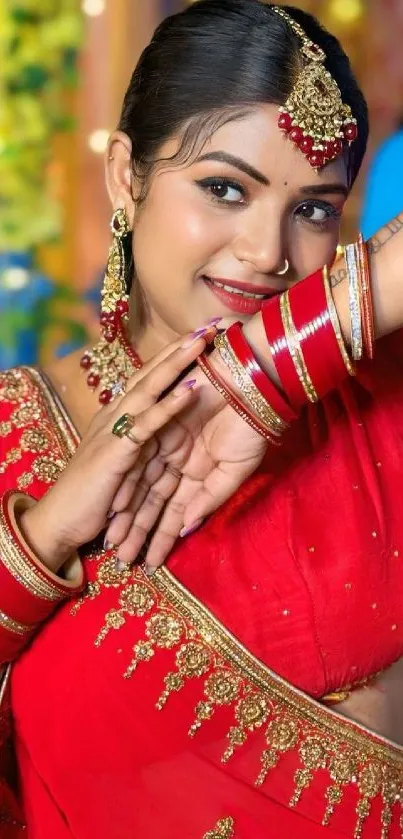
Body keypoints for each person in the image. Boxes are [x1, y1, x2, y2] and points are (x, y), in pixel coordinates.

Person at [1, 2, 403, 837]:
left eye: (314, 209)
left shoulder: (377, 403)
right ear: (127, 176)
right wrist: (39, 542)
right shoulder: (15, 431)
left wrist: (272, 366)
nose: (265, 252)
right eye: (224, 188)